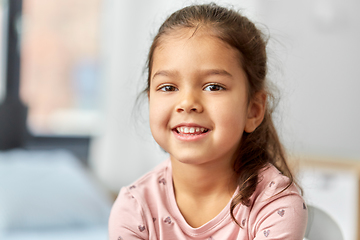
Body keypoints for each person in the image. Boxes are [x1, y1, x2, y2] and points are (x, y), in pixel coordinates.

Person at [109, 3, 307, 240]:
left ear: (253, 110)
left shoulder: (275, 204)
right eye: (168, 87)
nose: (187, 102)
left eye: (213, 86)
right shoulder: (134, 209)